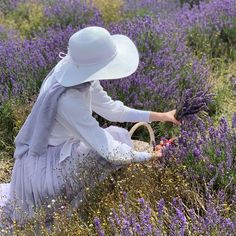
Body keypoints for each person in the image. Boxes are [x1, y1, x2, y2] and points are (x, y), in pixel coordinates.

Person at [0, 26, 180, 228]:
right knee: (114, 140)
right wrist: (149, 156)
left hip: (55, 153)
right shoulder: (69, 99)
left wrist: (159, 116)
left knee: (116, 136)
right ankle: (88, 210)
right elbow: (109, 151)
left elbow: (112, 110)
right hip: (45, 172)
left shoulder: (77, 73)